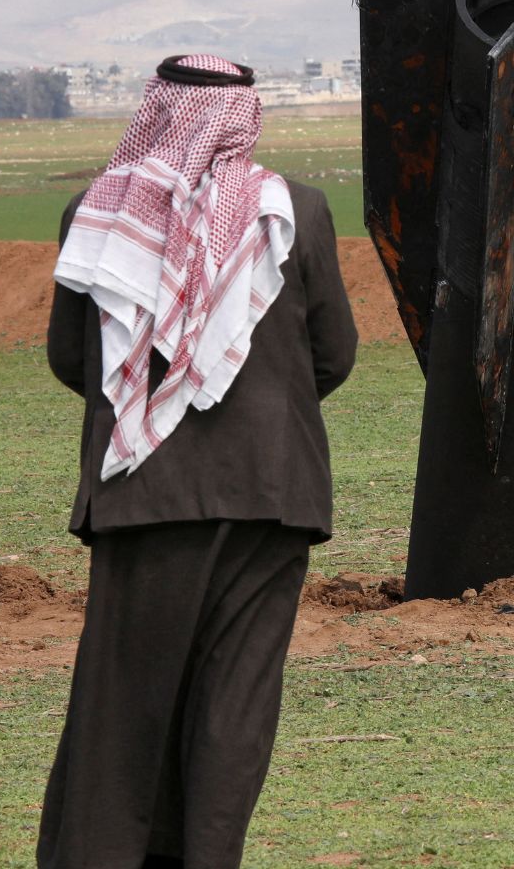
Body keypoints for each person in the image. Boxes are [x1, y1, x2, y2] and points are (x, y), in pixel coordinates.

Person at [37, 54, 357, 869]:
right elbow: (335, 356)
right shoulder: (299, 212)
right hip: (271, 496)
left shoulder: (96, 212)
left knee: (125, 708)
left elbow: (73, 361)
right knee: (234, 707)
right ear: (243, 117)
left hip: (144, 496)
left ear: (157, 111)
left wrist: (150, 410)